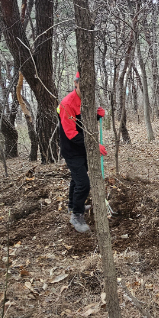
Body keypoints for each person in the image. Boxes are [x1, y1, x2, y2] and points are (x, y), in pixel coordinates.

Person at [58, 73, 107, 233]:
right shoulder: (67, 104)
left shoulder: (86, 100)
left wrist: (96, 115)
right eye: (82, 87)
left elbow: (83, 123)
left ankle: (73, 205)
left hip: (82, 147)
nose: (86, 91)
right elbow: (72, 133)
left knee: (77, 179)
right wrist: (94, 145)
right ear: (76, 84)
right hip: (72, 150)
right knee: (83, 184)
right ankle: (76, 215)